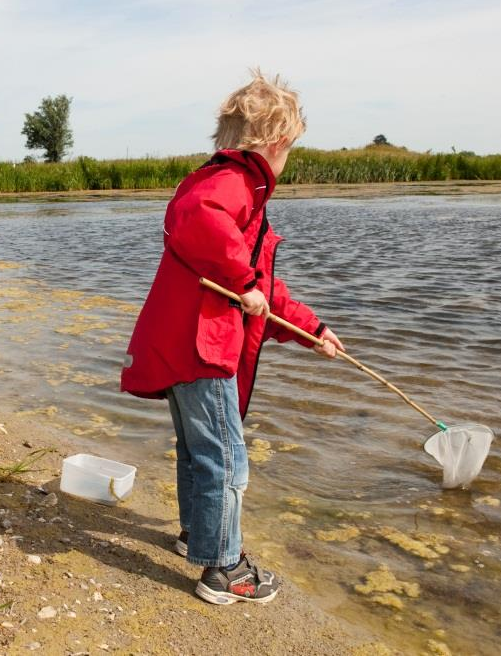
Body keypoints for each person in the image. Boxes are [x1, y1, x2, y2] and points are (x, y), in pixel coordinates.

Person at [120, 70, 345, 605]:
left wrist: (313, 329)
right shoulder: (229, 186)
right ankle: (224, 568)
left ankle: (200, 535)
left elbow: (263, 285)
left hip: (178, 344)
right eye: (290, 148)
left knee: (199, 452)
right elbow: (199, 221)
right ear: (275, 144)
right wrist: (243, 282)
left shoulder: (229, 188)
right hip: (202, 348)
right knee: (225, 458)